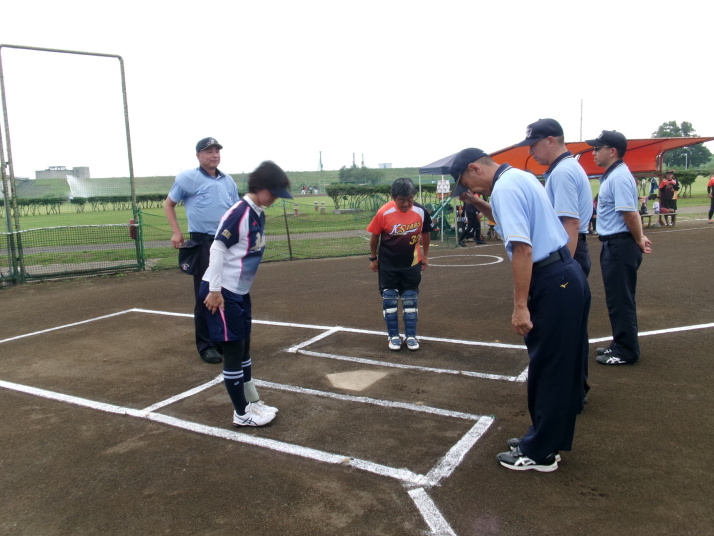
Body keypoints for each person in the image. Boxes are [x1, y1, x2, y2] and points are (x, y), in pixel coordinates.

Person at [450, 148, 590, 472]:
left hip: (551, 279)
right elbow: (508, 219)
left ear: (474, 168)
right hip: (565, 274)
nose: (471, 189)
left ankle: (541, 452)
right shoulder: (518, 177)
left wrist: (520, 307)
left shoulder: (505, 188)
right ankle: (544, 438)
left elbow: (523, 249)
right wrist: (477, 203)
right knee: (558, 365)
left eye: (467, 183)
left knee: (549, 367)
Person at [200, 161, 293, 427]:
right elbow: (217, 247)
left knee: (244, 350)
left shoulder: (258, 212)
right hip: (222, 292)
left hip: (239, 292)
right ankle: (241, 414)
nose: (275, 199)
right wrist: (215, 290)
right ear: (260, 187)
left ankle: (252, 402)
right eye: (273, 192)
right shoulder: (239, 213)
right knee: (233, 352)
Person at [513, 118, 593, 407]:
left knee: (562, 333)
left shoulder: (562, 172)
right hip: (573, 253)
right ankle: (576, 390)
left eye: (533, 145)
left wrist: (563, 269)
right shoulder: (568, 167)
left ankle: (571, 394)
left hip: (567, 254)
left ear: (550, 140)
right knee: (572, 332)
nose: (531, 152)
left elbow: (569, 223)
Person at [164, 137, 239, 364]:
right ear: (198, 156)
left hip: (227, 242)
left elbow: (235, 212)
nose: (214, 155)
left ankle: (223, 338)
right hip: (204, 242)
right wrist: (176, 232)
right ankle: (207, 345)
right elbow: (169, 204)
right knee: (206, 292)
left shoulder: (228, 181)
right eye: (208, 151)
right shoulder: (188, 178)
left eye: (217, 151)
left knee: (228, 291)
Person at [587, 130, 652, 365]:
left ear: (612, 151)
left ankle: (626, 350)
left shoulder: (619, 177)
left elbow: (630, 214)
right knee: (617, 298)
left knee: (620, 299)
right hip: (615, 243)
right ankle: (620, 342)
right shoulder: (613, 175)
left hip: (620, 244)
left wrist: (639, 238)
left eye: (598, 148)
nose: (594, 152)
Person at [367, 178, 434, 351]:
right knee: (389, 299)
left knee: (410, 299)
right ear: (393, 198)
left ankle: (411, 335)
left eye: (409, 199)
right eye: (401, 200)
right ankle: (393, 336)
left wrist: (425, 255)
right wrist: (373, 258)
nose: (406, 204)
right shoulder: (384, 212)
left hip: (412, 263)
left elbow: (426, 233)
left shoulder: (420, 211)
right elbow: (375, 236)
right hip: (388, 264)